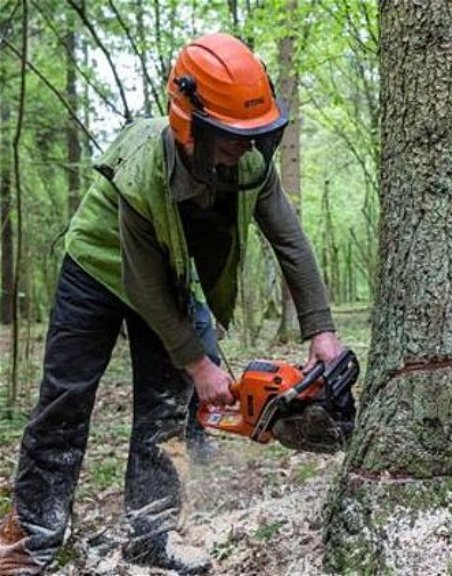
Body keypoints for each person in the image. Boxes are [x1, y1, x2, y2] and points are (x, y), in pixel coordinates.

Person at [0, 32, 345, 575]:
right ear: (191, 127)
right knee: (65, 398)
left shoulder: (250, 166)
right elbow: (142, 283)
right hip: (99, 267)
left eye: (254, 135)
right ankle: (30, 540)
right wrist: (199, 361)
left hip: (170, 273)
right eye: (231, 137)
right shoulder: (142, 171)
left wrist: (321, 330)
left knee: (165, 406)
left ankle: (150, 535)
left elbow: (289, 240)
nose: (244, 148)